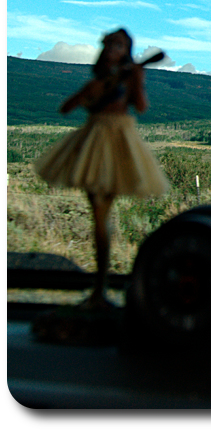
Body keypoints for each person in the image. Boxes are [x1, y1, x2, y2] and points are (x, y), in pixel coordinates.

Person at [34, 28, 169, 308]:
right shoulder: (99, 80)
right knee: (97, 212)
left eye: (118, 45)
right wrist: (90, 94)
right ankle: (99, 288)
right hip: (93, 137)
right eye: (109, 45)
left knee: (102, 211)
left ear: (125, 50)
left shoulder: (131, 75)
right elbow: (66, 108)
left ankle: (100, 289)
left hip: (118, 138)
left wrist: (136, 81)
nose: (111, 50)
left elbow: (141, 107)